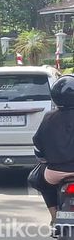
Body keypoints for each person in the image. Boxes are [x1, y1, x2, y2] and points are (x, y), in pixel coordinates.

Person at [32, 75, 74, 227]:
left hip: (54, 174)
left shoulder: (48, 118)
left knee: (38, 181)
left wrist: (43, 159)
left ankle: (54, 216)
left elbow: (37, 147)